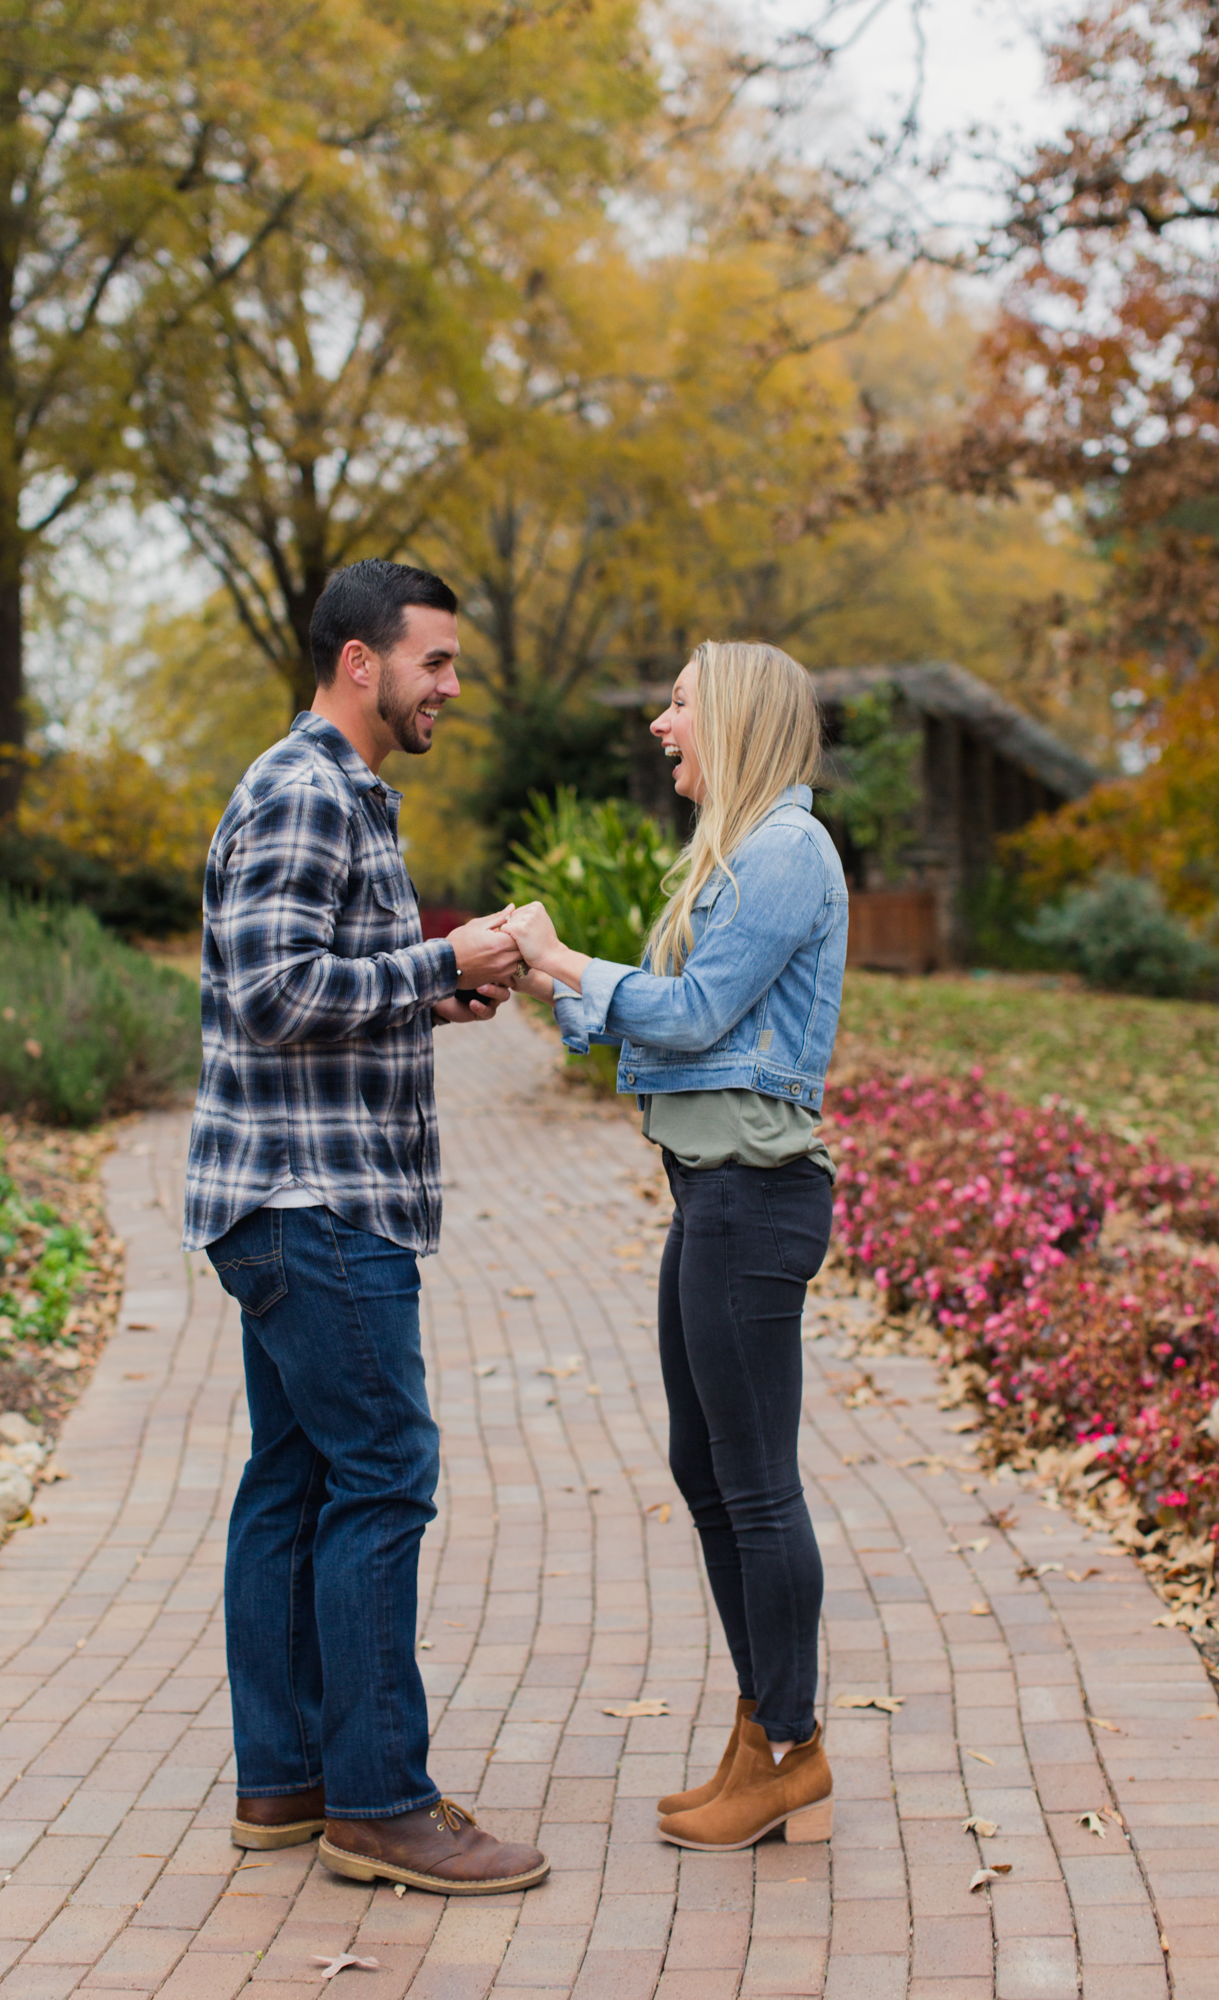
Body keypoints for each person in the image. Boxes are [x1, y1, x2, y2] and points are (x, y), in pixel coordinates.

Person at [183, 558, 550, 1895]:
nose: (451, 686)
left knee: (294, 1483)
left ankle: (286, 1784)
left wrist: (431, 998)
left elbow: (315, 983)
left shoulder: (335, 793)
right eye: (434, 663)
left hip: (297, 1197)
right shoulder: (301, 789)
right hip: (314, 1206)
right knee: (384, 1474)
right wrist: (441, 960)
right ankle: (380, 1806)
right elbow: (277, 992)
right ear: (360, 662)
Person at [503, 639, 847, 1852]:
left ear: (737, 718)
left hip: (754, 1200)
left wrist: (559, 965)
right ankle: (759, 1728)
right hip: (713, 1195)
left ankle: (790, 1744)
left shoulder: (786, 853)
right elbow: (686, 1017)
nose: (661, 723)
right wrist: (562, 982)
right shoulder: (743, 854)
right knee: (705, 1466)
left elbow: (697, 1014)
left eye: (681, 704)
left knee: (753, 1483)